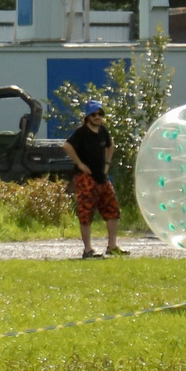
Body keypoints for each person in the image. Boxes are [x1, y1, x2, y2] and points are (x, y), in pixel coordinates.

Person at [66, 102, 126, 259]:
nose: (98, 117)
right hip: (85, 178)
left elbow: (111, 146)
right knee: (86, 212)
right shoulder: (81, 133)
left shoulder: (103, 131)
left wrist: (107, 164)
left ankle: (112, 246)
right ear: (87, 117)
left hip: (102, 177)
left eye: (100, 114)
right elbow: (67, 146)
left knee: (112, 210)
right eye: (94, 115)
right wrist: (79, 164)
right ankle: (88, 250)